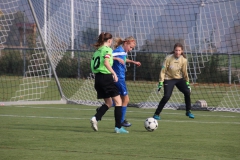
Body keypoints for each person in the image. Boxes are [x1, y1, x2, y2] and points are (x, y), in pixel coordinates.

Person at [90, 32, 129, 133]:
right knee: (118, 101)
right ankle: (118, 127)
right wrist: (114, 74)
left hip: (97, 79)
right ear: (110, 41)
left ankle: (95, 118)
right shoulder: (108, 49)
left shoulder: (97, 51)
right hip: (106, 78)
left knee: (108, 102)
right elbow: (106, 62)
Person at [153, 43, 195, 120]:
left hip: (179, 79)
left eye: (179, 50)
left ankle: (188, 111)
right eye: (176, 50)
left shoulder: (184, 60)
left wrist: (187, 83)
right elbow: (163, 71)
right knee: (166, 96)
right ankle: (157, 113)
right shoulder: (168, 58)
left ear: (182, 51)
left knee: (187, 92)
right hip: (168, 79)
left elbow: (185, 72)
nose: (177, 52)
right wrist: (161, 82)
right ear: (174, 50)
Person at [112, 36, 141, 127]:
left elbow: (123, 59)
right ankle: (121, 120)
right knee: (126, 99)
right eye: (131, 47)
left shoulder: (122, 51)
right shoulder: (118, 51)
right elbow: (106, 56)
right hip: (118, 78)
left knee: (117, 101)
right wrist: (116, 59)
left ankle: (102, 111)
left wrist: (133, 62)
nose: (131, 49)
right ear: (125, 43)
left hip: (120, 78)